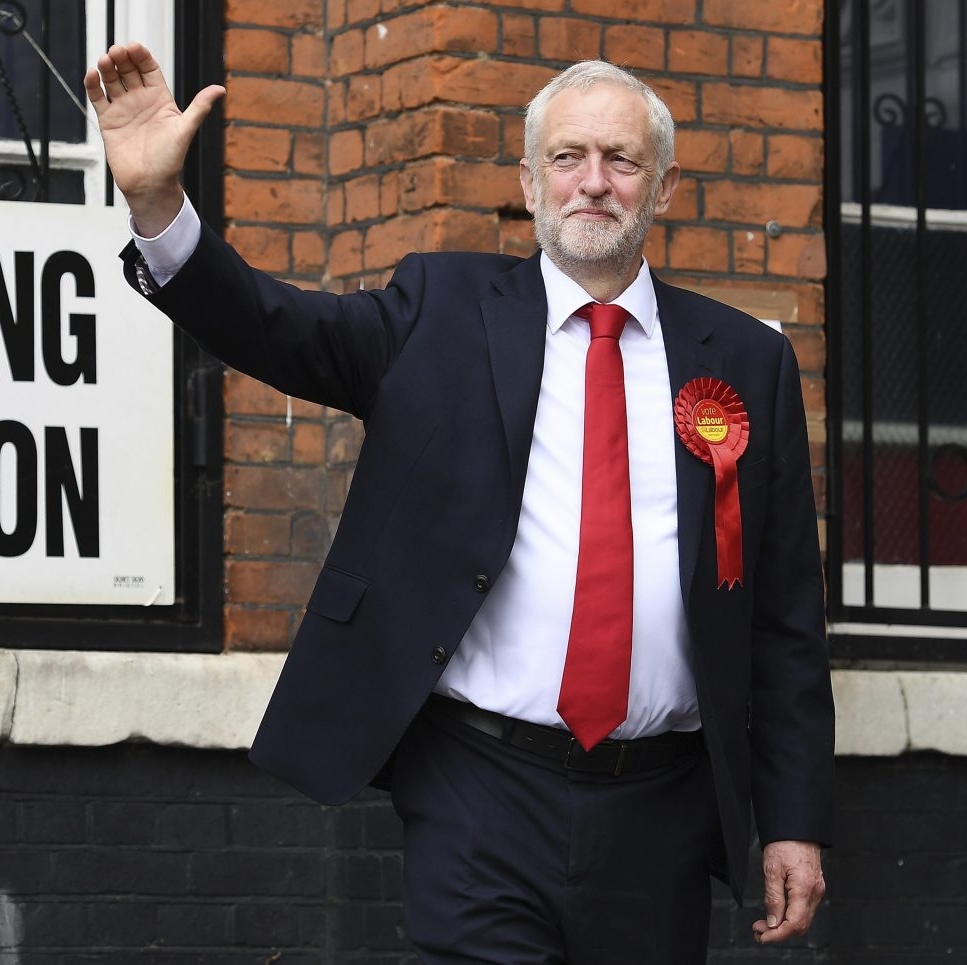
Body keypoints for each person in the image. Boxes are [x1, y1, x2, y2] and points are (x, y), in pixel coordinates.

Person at [84, 41, 833, 964]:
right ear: (529, 181)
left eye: (621, 160)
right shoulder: (439, 309)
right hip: (481, 790)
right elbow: (274, 325)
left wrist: (794, 820)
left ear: (665, 188)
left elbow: (786, 616)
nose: (593, 182)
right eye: (567, 158)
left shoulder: (746, 363)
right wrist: (159, 206)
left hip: (663, 809)